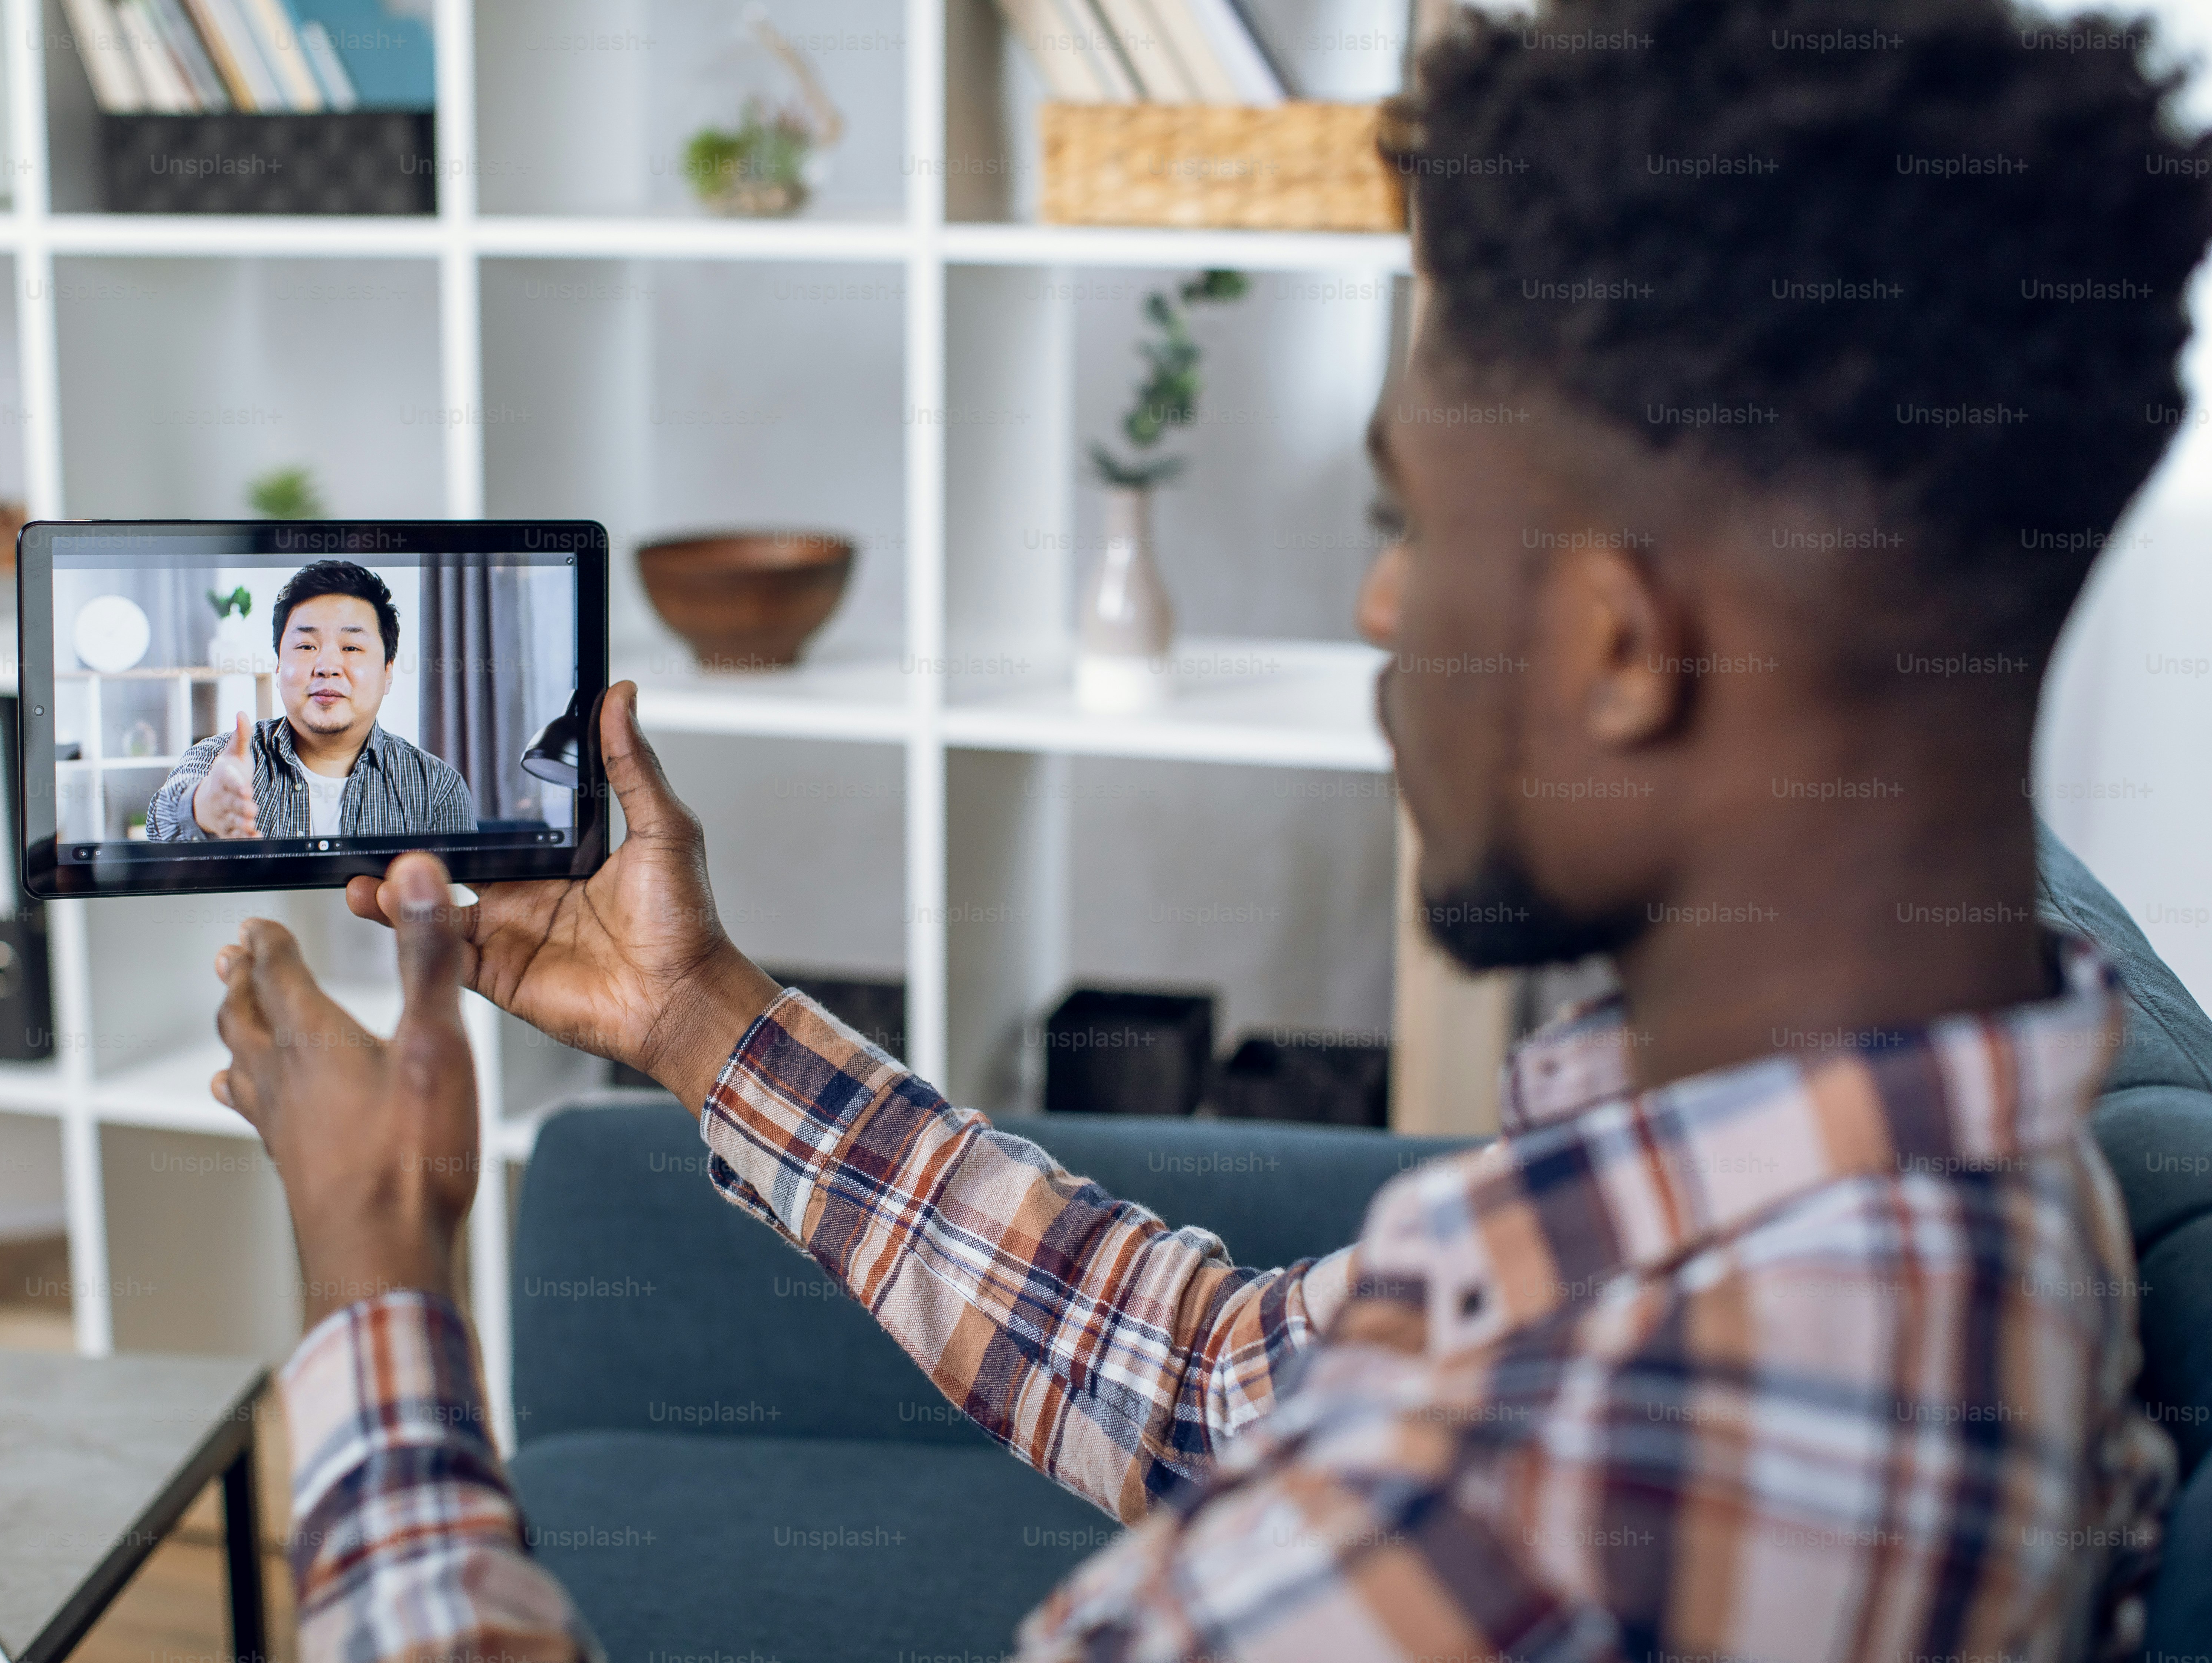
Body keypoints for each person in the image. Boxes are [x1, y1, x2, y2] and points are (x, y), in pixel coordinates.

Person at [209, 1, 2211, 1657]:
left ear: (1617, 645)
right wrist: (699, 1018)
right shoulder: (1849, 1150)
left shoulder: (1585, 1505)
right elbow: (1227, 1386)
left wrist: (374, 1279)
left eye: (1413, 522)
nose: (1379, 606)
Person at [146, 560, 476, 842]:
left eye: (352, 648)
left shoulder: (436, 787)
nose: (327, 667)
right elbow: (160, 822)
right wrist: (204, 806)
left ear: (388, 671)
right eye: (306, 647)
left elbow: (456, 899)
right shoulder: (222, 760)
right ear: (277, 667)